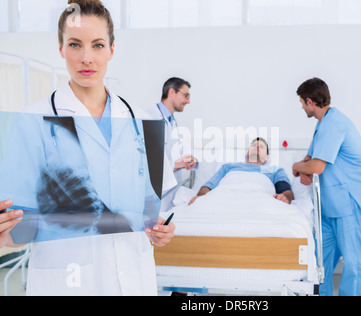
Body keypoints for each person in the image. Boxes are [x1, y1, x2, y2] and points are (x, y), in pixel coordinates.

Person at [0, 0, 176, 296]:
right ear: (60, 49)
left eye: (97, 45)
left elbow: (157, 206)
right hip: (67, 283)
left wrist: (162, 232)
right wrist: (6, 233)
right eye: (74, 44)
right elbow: (20, 228)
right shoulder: (31, 121)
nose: (86, 58)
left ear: (111, 50)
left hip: (133, 279)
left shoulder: (141, 119)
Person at [292, 78, 361, 296]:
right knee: (319, 263)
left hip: (351, 204)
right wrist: (305, 168)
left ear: (310, 101)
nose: (301, 107)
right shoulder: (323, 124)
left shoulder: (335, 124)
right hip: (331, 207)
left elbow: (317, 166)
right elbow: (310, 158)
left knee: (356, 264)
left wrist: (298, 166)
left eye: (302, 103)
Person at [189, 137, 294, 205]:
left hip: (259, 202)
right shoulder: (228, 167)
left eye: (261, 147)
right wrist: (200, 199)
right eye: (254, 146)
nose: (257, 147)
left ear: (267, 158)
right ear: (247, 153)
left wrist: (285, 197)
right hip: (224, 200)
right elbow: (208, 186)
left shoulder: (274, 170)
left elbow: (286, 192)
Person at [148, 77, 198, 211]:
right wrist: (174, 165)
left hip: (170, 192)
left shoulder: (173, 122)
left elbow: (181, 148)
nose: (188, 101)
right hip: (154, 192)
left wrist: (191, 158)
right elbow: (146, 159)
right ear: (171, 93)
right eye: (186, 95)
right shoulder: (149, 118)